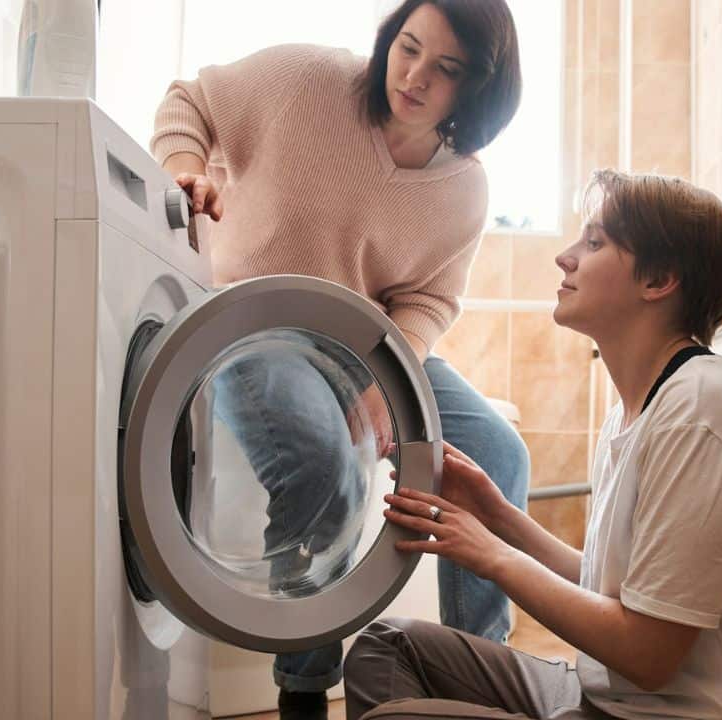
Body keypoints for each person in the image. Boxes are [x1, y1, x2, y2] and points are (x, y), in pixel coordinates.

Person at [149, 1, 528, 717]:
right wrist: (184, 171)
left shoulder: (465, 187)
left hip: (367, 342)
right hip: (254, 321)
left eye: (444, 69)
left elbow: (428, 301)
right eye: (408, 48)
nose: (413, 77)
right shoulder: (306, 81)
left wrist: (394, 380)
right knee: (325, 460)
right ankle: (304, 688)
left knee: (499, 457)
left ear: (479, 85)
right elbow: (189, 101)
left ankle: (477, 677)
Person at [343, 170, 722, 720]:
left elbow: (647, 655)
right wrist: (500, 517)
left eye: (594, 242)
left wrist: (492, 554)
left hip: (686, 712)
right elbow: (616, 590)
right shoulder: (639, 401)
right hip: (606, 698)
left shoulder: (701, 412)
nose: (565, 257)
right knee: (385, 647)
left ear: (659, 279)